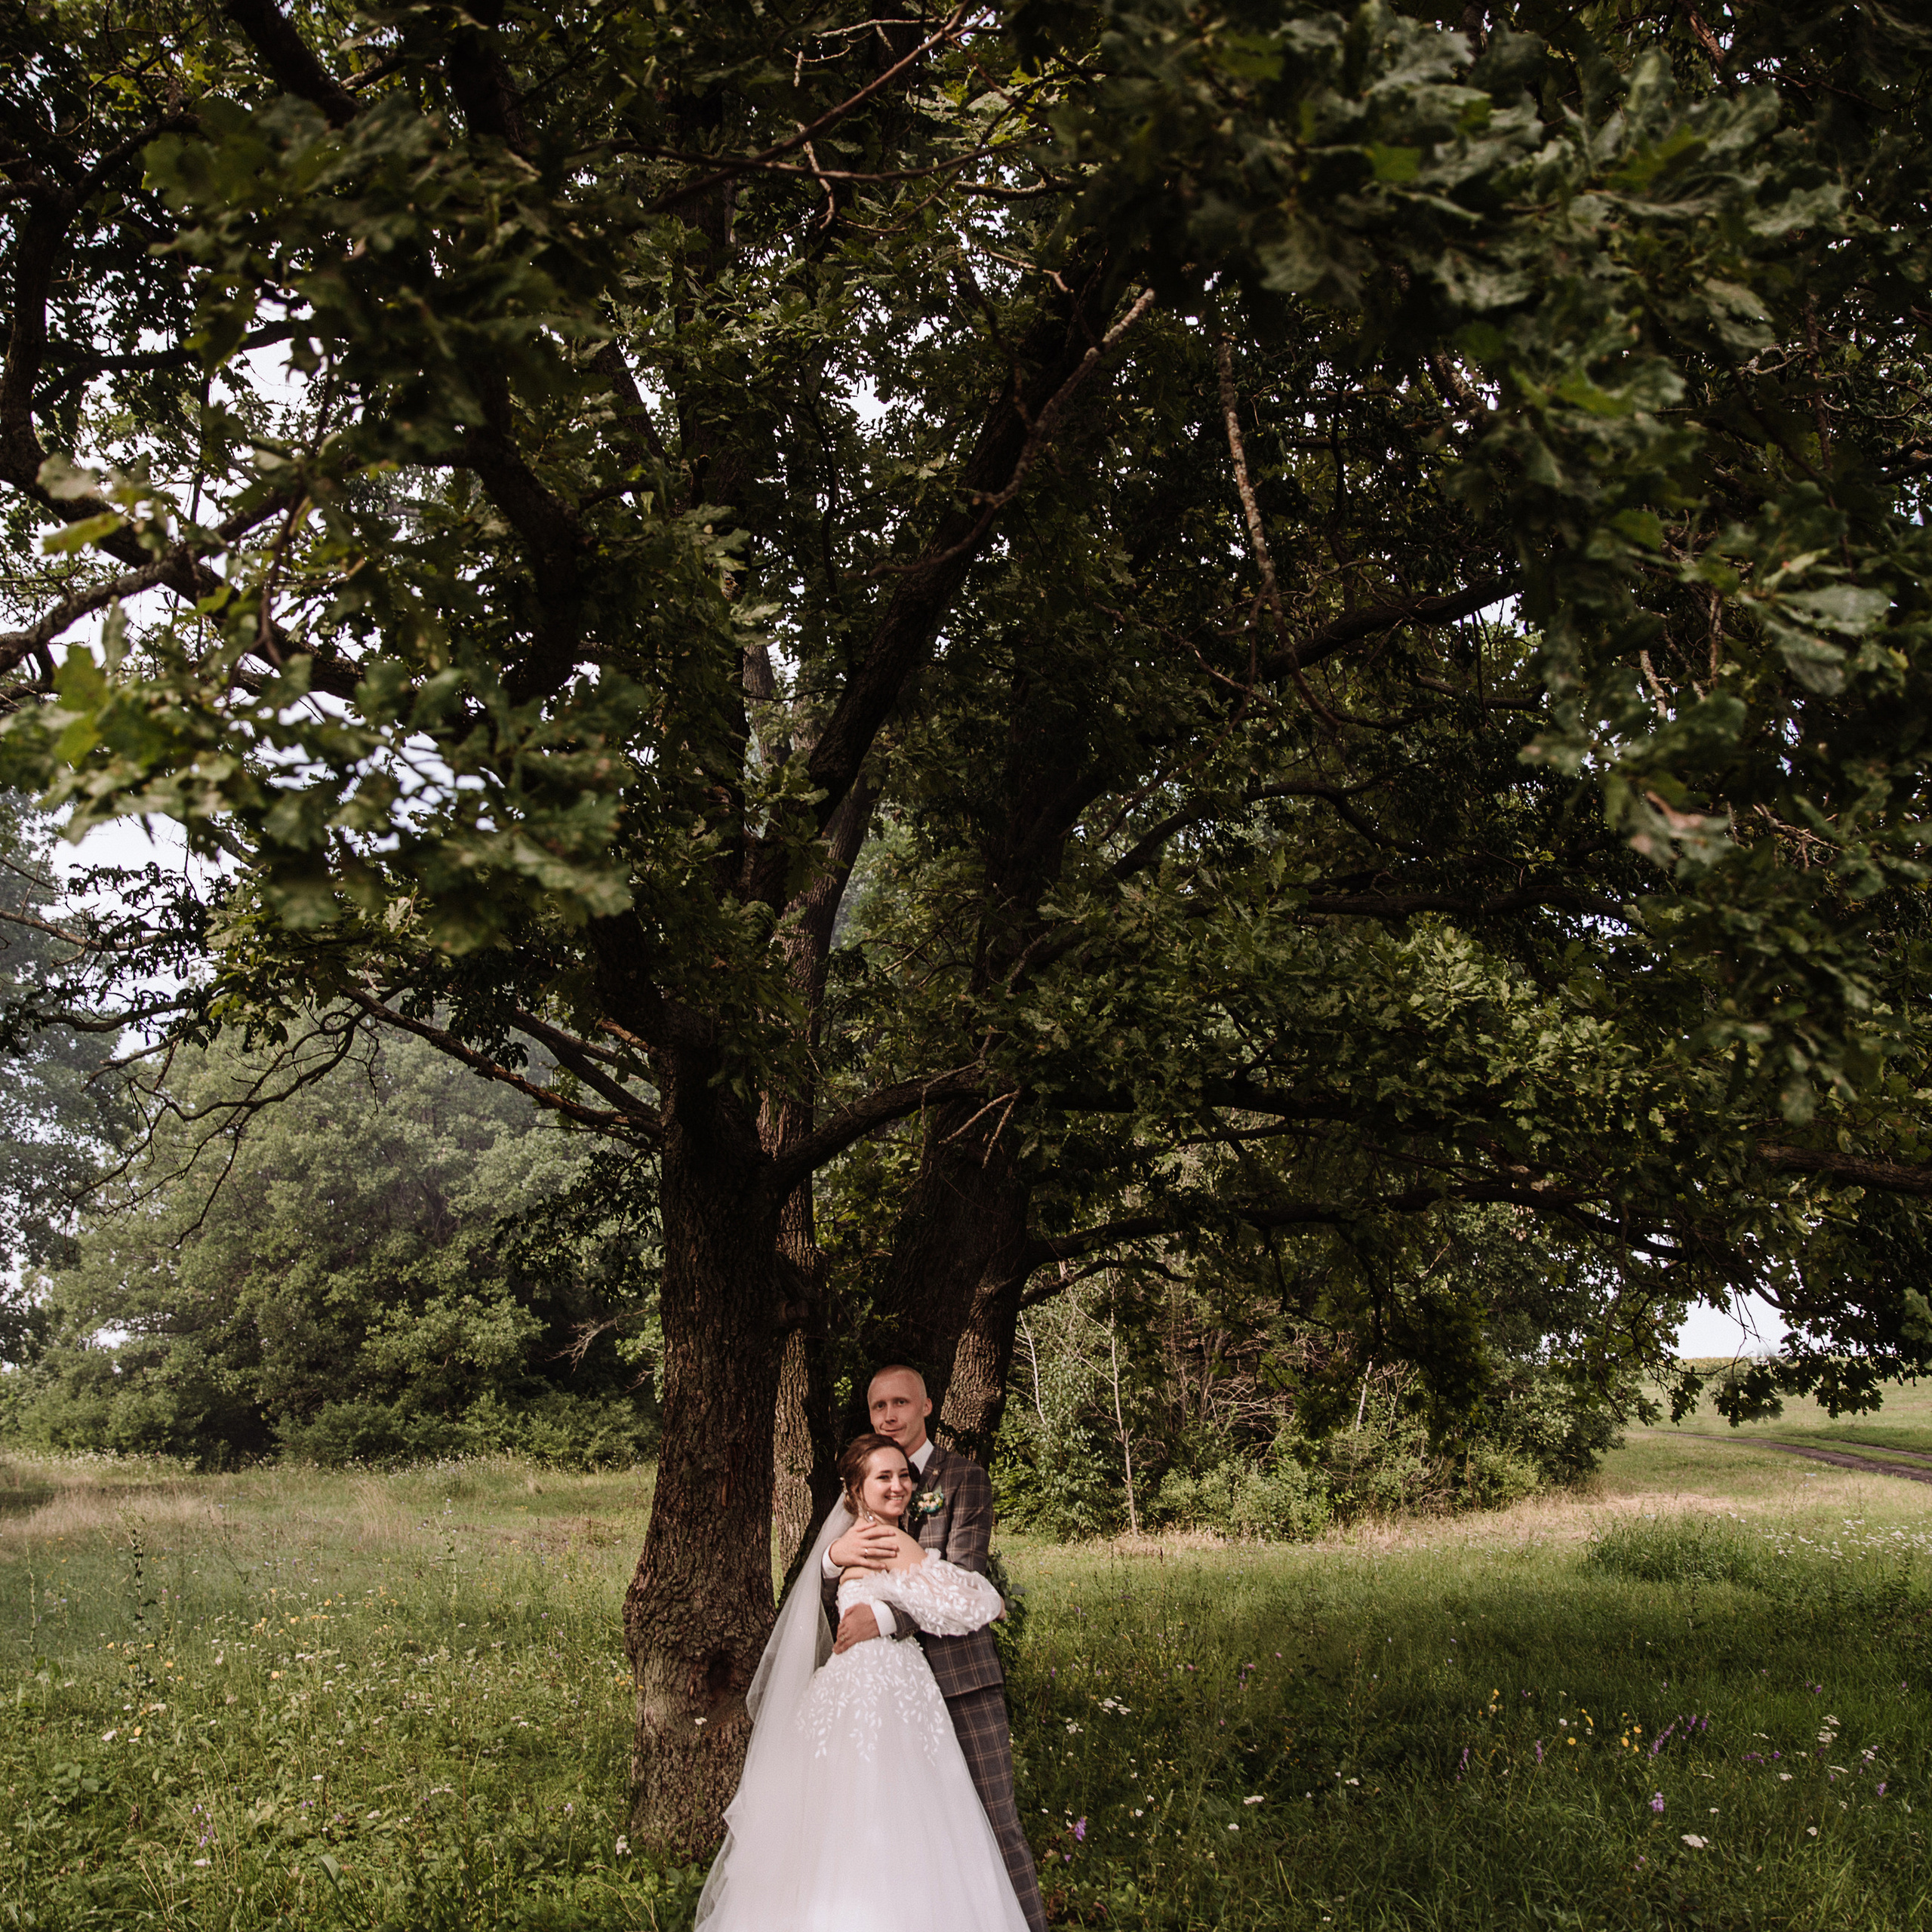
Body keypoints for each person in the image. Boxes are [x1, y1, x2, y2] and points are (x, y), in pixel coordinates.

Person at [694, 1433, 1029, 1932]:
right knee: (901, 1813)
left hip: (853, 1683)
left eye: (903, 1476)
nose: (898, 1486)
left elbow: (915, 1593)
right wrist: (994, 1602)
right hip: (882, 1686)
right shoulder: (887, 1540)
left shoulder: (858, 1535)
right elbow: (956, 1601)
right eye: (883, 1477)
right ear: (856, 1489)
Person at [824, 1366, 1047, 1932]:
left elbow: (961, 1578)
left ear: (927, 1405)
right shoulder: (864, 1481)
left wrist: (884, 1618)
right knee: (906, 1832)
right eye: (878, 1407)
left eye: (901, 1403)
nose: (889, 1416)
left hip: (961, 1678)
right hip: (891, 1696)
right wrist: (832, 1558)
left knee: (994, 1823)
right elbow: (838, 1576)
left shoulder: (963, 1478)